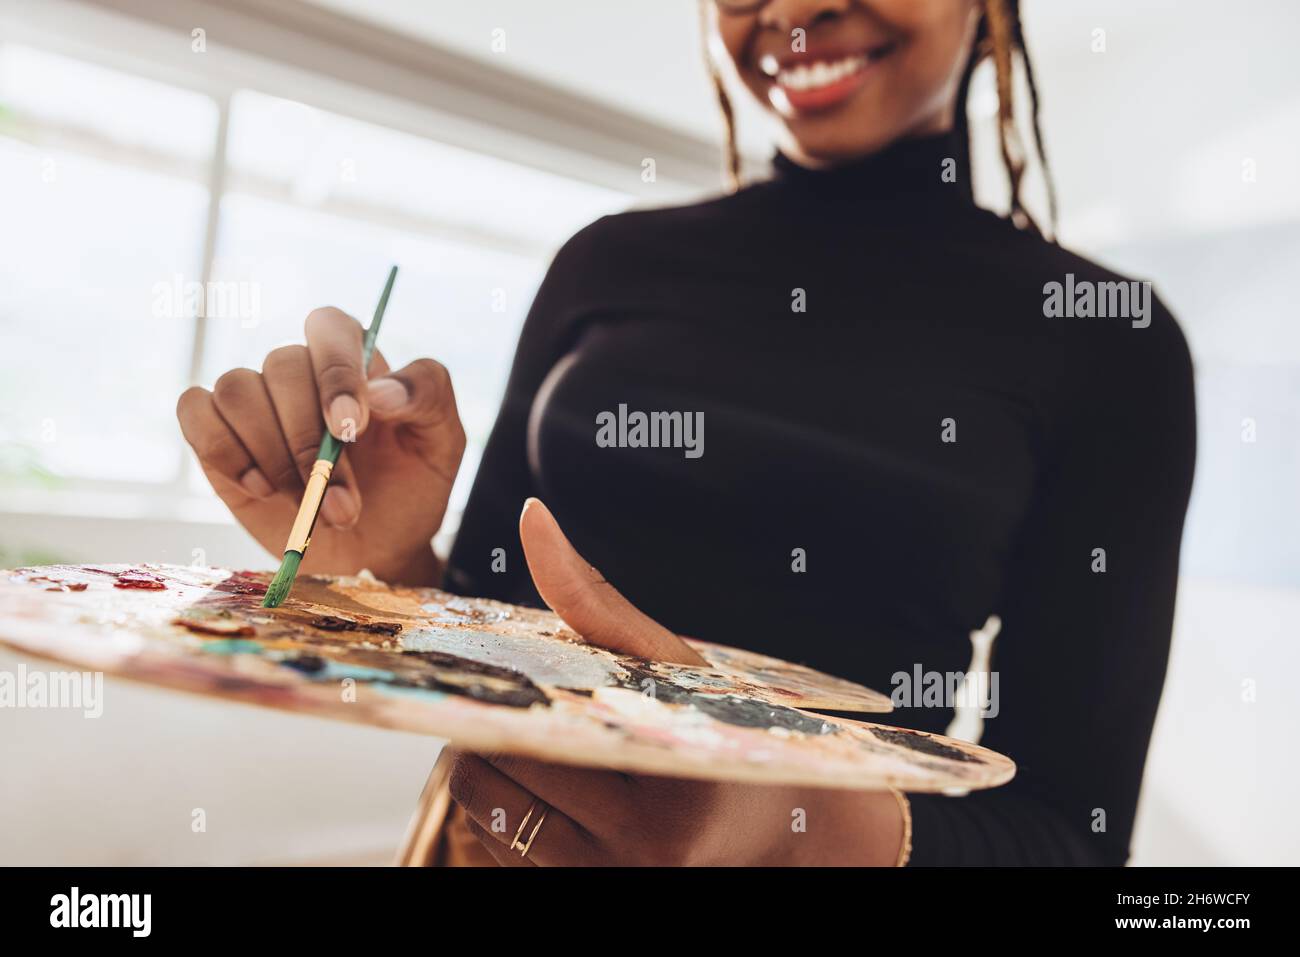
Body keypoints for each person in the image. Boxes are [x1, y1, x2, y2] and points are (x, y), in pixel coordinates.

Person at [177, 0, 1196, 865]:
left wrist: (785, 831)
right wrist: (388, 559)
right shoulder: (603, 265)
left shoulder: (1108, 345)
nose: (791, 10)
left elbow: (1074, 833)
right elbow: (491, 640)